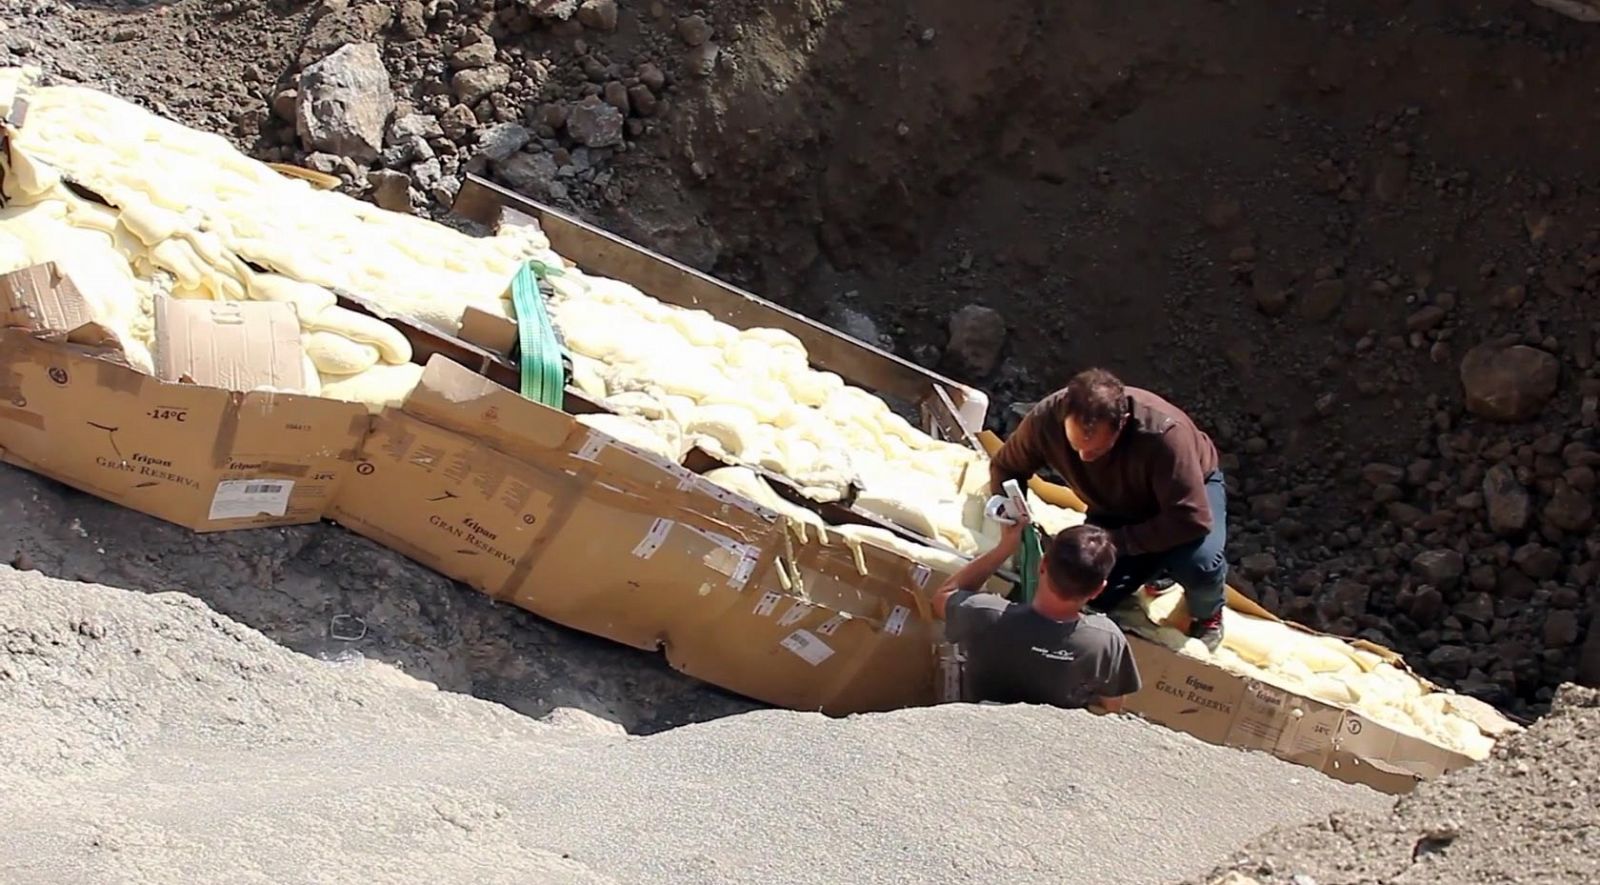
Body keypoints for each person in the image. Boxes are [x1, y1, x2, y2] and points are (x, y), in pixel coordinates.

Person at [988, 367, 1230, 651]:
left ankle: (1208, 613)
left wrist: (1115, 543)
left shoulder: (1164, 436)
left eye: (1097, 451)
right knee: (1083, 587)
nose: (1085, 459)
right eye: (1076, 448)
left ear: (1122, 423)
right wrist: (1014, 513)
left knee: (1198, 564)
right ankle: (1150, 566)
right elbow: (1006, 466)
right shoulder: (1046, 419)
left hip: (1186, 502)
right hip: (1115, 507)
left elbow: (1192, 520)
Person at [931, 518, 1142, 712]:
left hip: (972, 731)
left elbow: (942, 597)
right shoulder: (1106, 641)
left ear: (1042, 564)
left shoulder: (984, 614)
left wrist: (1005, 548)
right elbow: (1112, 707)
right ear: (1098, 589)